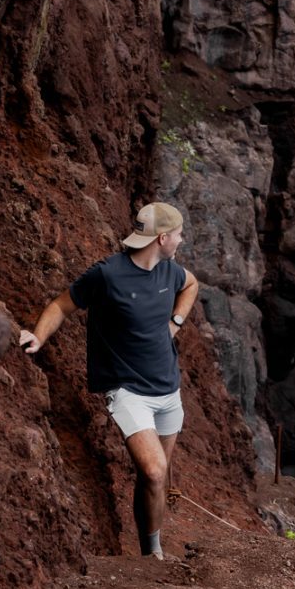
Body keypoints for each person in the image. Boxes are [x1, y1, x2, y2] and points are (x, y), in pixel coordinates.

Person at [19, 202, 200, 560]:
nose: (181, 240)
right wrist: (38, 337)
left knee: (155, 479)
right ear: (163, 238)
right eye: (178, 234)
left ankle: (151, 551)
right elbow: (61, 305)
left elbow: (192, 285)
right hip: (128, 392)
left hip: (168, 390)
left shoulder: (171, 272)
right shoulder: (108, 274)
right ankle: (154, 556)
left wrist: (175, 323)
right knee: (154, 470)